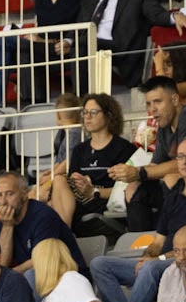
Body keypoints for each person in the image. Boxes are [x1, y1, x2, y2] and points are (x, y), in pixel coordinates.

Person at [90, 138, 186, 302]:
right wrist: (147, 256)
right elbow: (159, 240)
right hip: (159, 263)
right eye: (180, 156)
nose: (184, 162)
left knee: (150, 268)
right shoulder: (174, 194)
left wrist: (157, 259)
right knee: (99, 264)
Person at [45, 96, 135, 236]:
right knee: (58, 181)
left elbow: (126, 188)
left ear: (108, 115)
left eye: (93, 112)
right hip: (79, 200)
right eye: (85, 112)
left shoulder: (123, 148)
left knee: (51, 207)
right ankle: (65, 234)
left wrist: (92, 190)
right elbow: (72, 179)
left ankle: (63, 236)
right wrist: (79, 179)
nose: (87, 117)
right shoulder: (80, 150)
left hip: (103, 199)